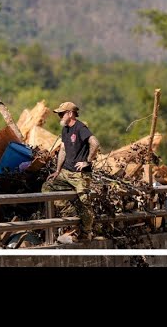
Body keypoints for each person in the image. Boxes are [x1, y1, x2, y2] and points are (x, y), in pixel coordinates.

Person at [42, 102, 100, 241]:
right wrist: (57, 170)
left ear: (70, 113)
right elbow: (62, 149)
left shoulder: (80, 128)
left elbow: (95, 143)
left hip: (80, 174)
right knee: (48, 187)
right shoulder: (65, 129)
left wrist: (88, 161)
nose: (59, 117)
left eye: (62, 114)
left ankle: (86, 232)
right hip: (66, 172)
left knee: (84, 202)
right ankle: (72, 215)